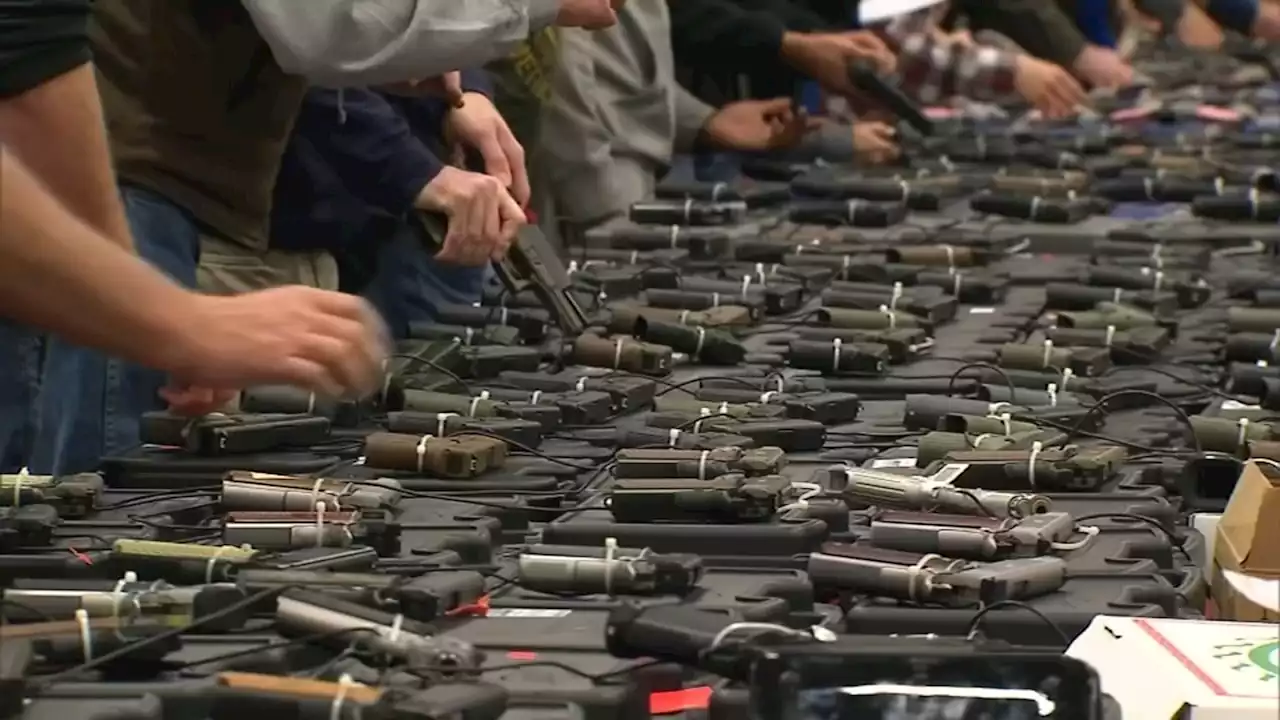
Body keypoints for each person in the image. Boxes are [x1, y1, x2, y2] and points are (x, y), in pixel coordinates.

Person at [35, 0, 625, 476]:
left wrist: (450, 80)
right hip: (137, 183)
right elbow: (320, 29)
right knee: (96, 508)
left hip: (161, 186)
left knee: (108, 499)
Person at [0, 148, 388, 472]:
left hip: (155, 208)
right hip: (150, 201)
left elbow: (65, 154)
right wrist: (183, 325)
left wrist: (161, 318)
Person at [273, 76, 523, 340]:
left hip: (412, 201)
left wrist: (468, 92)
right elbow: (306, 65)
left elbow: (424, 44)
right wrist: (417, 170)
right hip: (299, 231)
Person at [541, 0, 812, 233]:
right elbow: (560, 88)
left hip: (626, 196)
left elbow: (623, 65)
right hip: (591, 206)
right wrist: (607, 218)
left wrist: (702, 121)